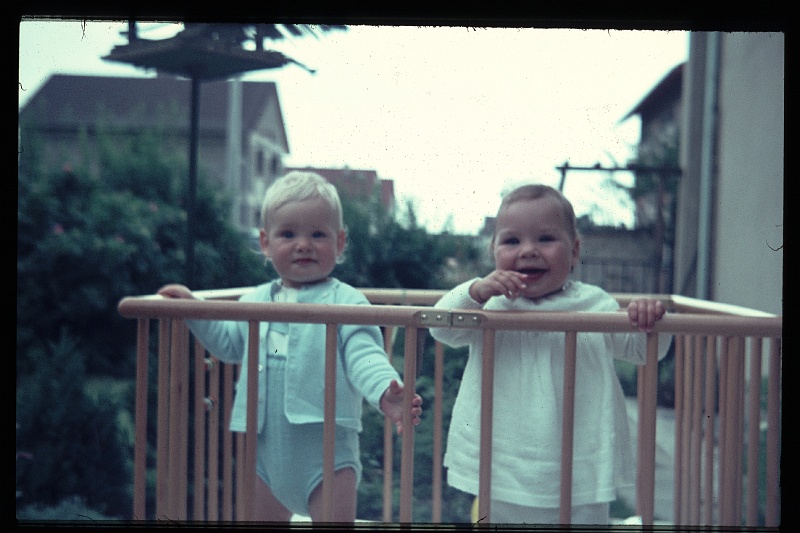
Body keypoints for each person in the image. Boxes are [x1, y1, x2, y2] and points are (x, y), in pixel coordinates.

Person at [158, 171, 423, 523]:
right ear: (266, 243)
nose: (303, 244)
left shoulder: (345, 301)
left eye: (318, 234)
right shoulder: (254, 300)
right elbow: (228, 343)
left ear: (340, 242)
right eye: (288, 234)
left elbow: (364, 354)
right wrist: (193, 310)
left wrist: (383, 392)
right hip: (266, 454)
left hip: (327, 456)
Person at [428, 184, 671, 525]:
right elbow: (440, 327)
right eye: (512, 241)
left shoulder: (594, 304)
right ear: (493, 251)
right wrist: (474, 290)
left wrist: (648, 322)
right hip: (503, 463)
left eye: (545, 239)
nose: (528, 251)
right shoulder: (490, 306)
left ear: (574, 251)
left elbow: (643, 352)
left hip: (580, 464)